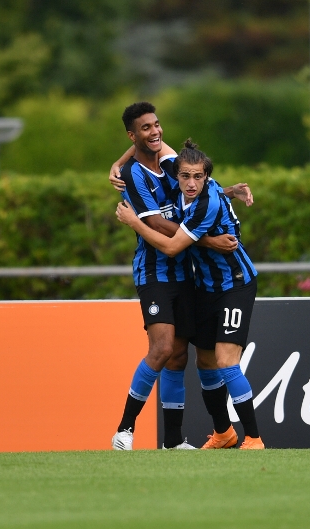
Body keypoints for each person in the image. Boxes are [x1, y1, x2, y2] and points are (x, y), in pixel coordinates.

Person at [109, 102, 254, 451]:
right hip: (155, 272)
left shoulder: (170, 161)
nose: (155, 132)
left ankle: (173, 442)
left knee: (179, 355)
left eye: (156, 125)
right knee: (160, 349)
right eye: (145, 128)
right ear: (132, 135)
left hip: (187, 275)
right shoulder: (132, 174)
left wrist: (224, 191)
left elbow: (197, 175)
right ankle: (124, 430)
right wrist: (208, 240)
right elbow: (157, 224)